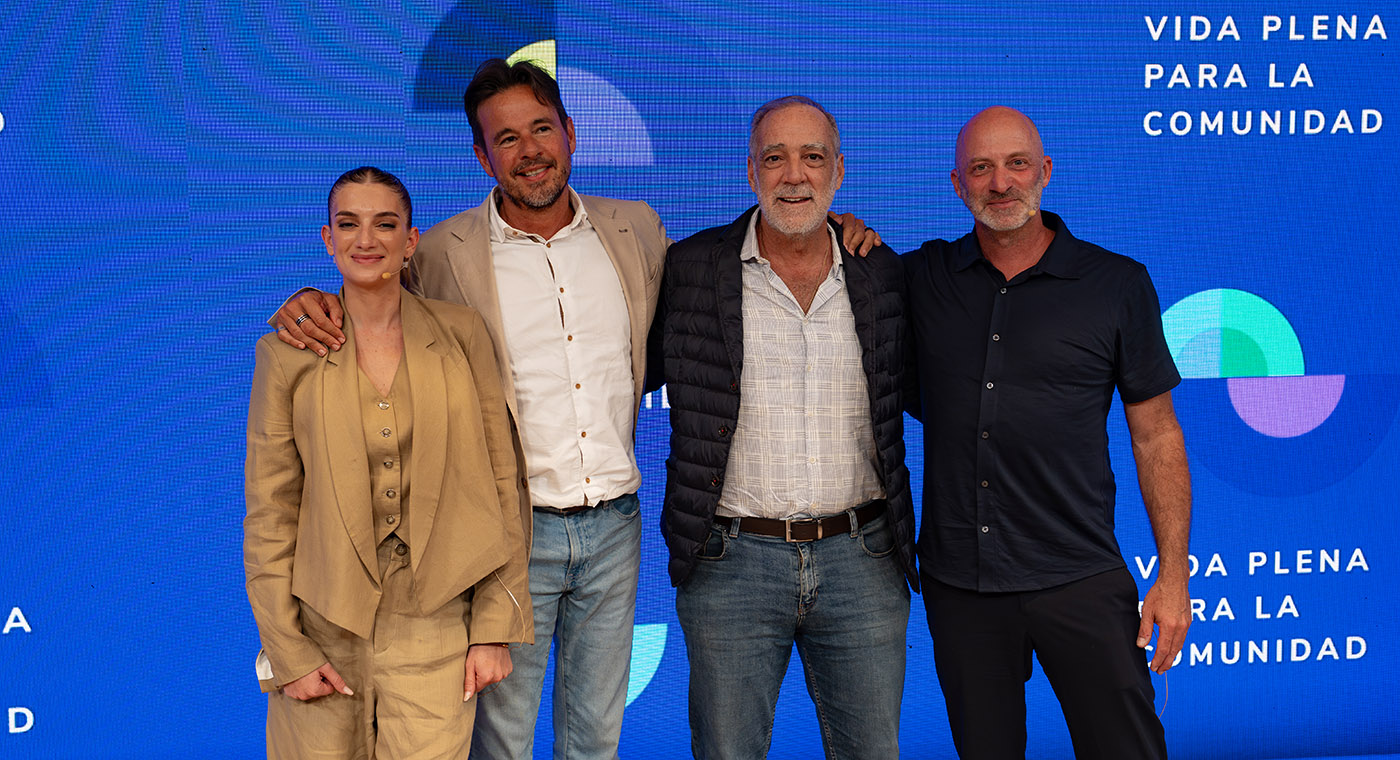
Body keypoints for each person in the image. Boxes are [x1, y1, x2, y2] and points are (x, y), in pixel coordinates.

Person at [271, 62, 880, 760]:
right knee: (500, 740)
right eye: (506, 138)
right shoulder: (441, 252)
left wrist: (828, 228)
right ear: (482, 156)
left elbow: (739, 262)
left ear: (570, 133)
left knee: (594, 739)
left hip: (614, 530)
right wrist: (309, 299)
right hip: (506, 538)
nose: (529, 149)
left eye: (541, 128)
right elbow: (369, 293)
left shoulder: (634, 230)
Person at [904, 106, 1192, 759]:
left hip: (1079, 575)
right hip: (961, 584)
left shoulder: (1117, 284)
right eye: (981, 168)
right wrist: (848, 229)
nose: (1000, 183)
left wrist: (1173, 577)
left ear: (1046, 172)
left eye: (1016, 164)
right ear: (957, 183)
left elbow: (1156, 436)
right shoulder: (921, 279)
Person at [653, 96, 918, 760]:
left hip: (864, 559)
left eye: (812, 157)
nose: (793, 175)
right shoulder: (689, 270)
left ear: (839, 171)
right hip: (731, 564)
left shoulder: (883, 272)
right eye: (775, 157)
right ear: (750, 172)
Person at [245, 166, 530, 759]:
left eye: (385, 224)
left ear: (411, 241)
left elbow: (503, 483)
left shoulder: (461, 334)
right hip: (323, 622)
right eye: (348, 224)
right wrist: (288, 650)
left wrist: (495, 626)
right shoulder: (284, 353)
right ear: (328, 239)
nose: (366, 240)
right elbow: (271, 511)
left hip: (436, 626)